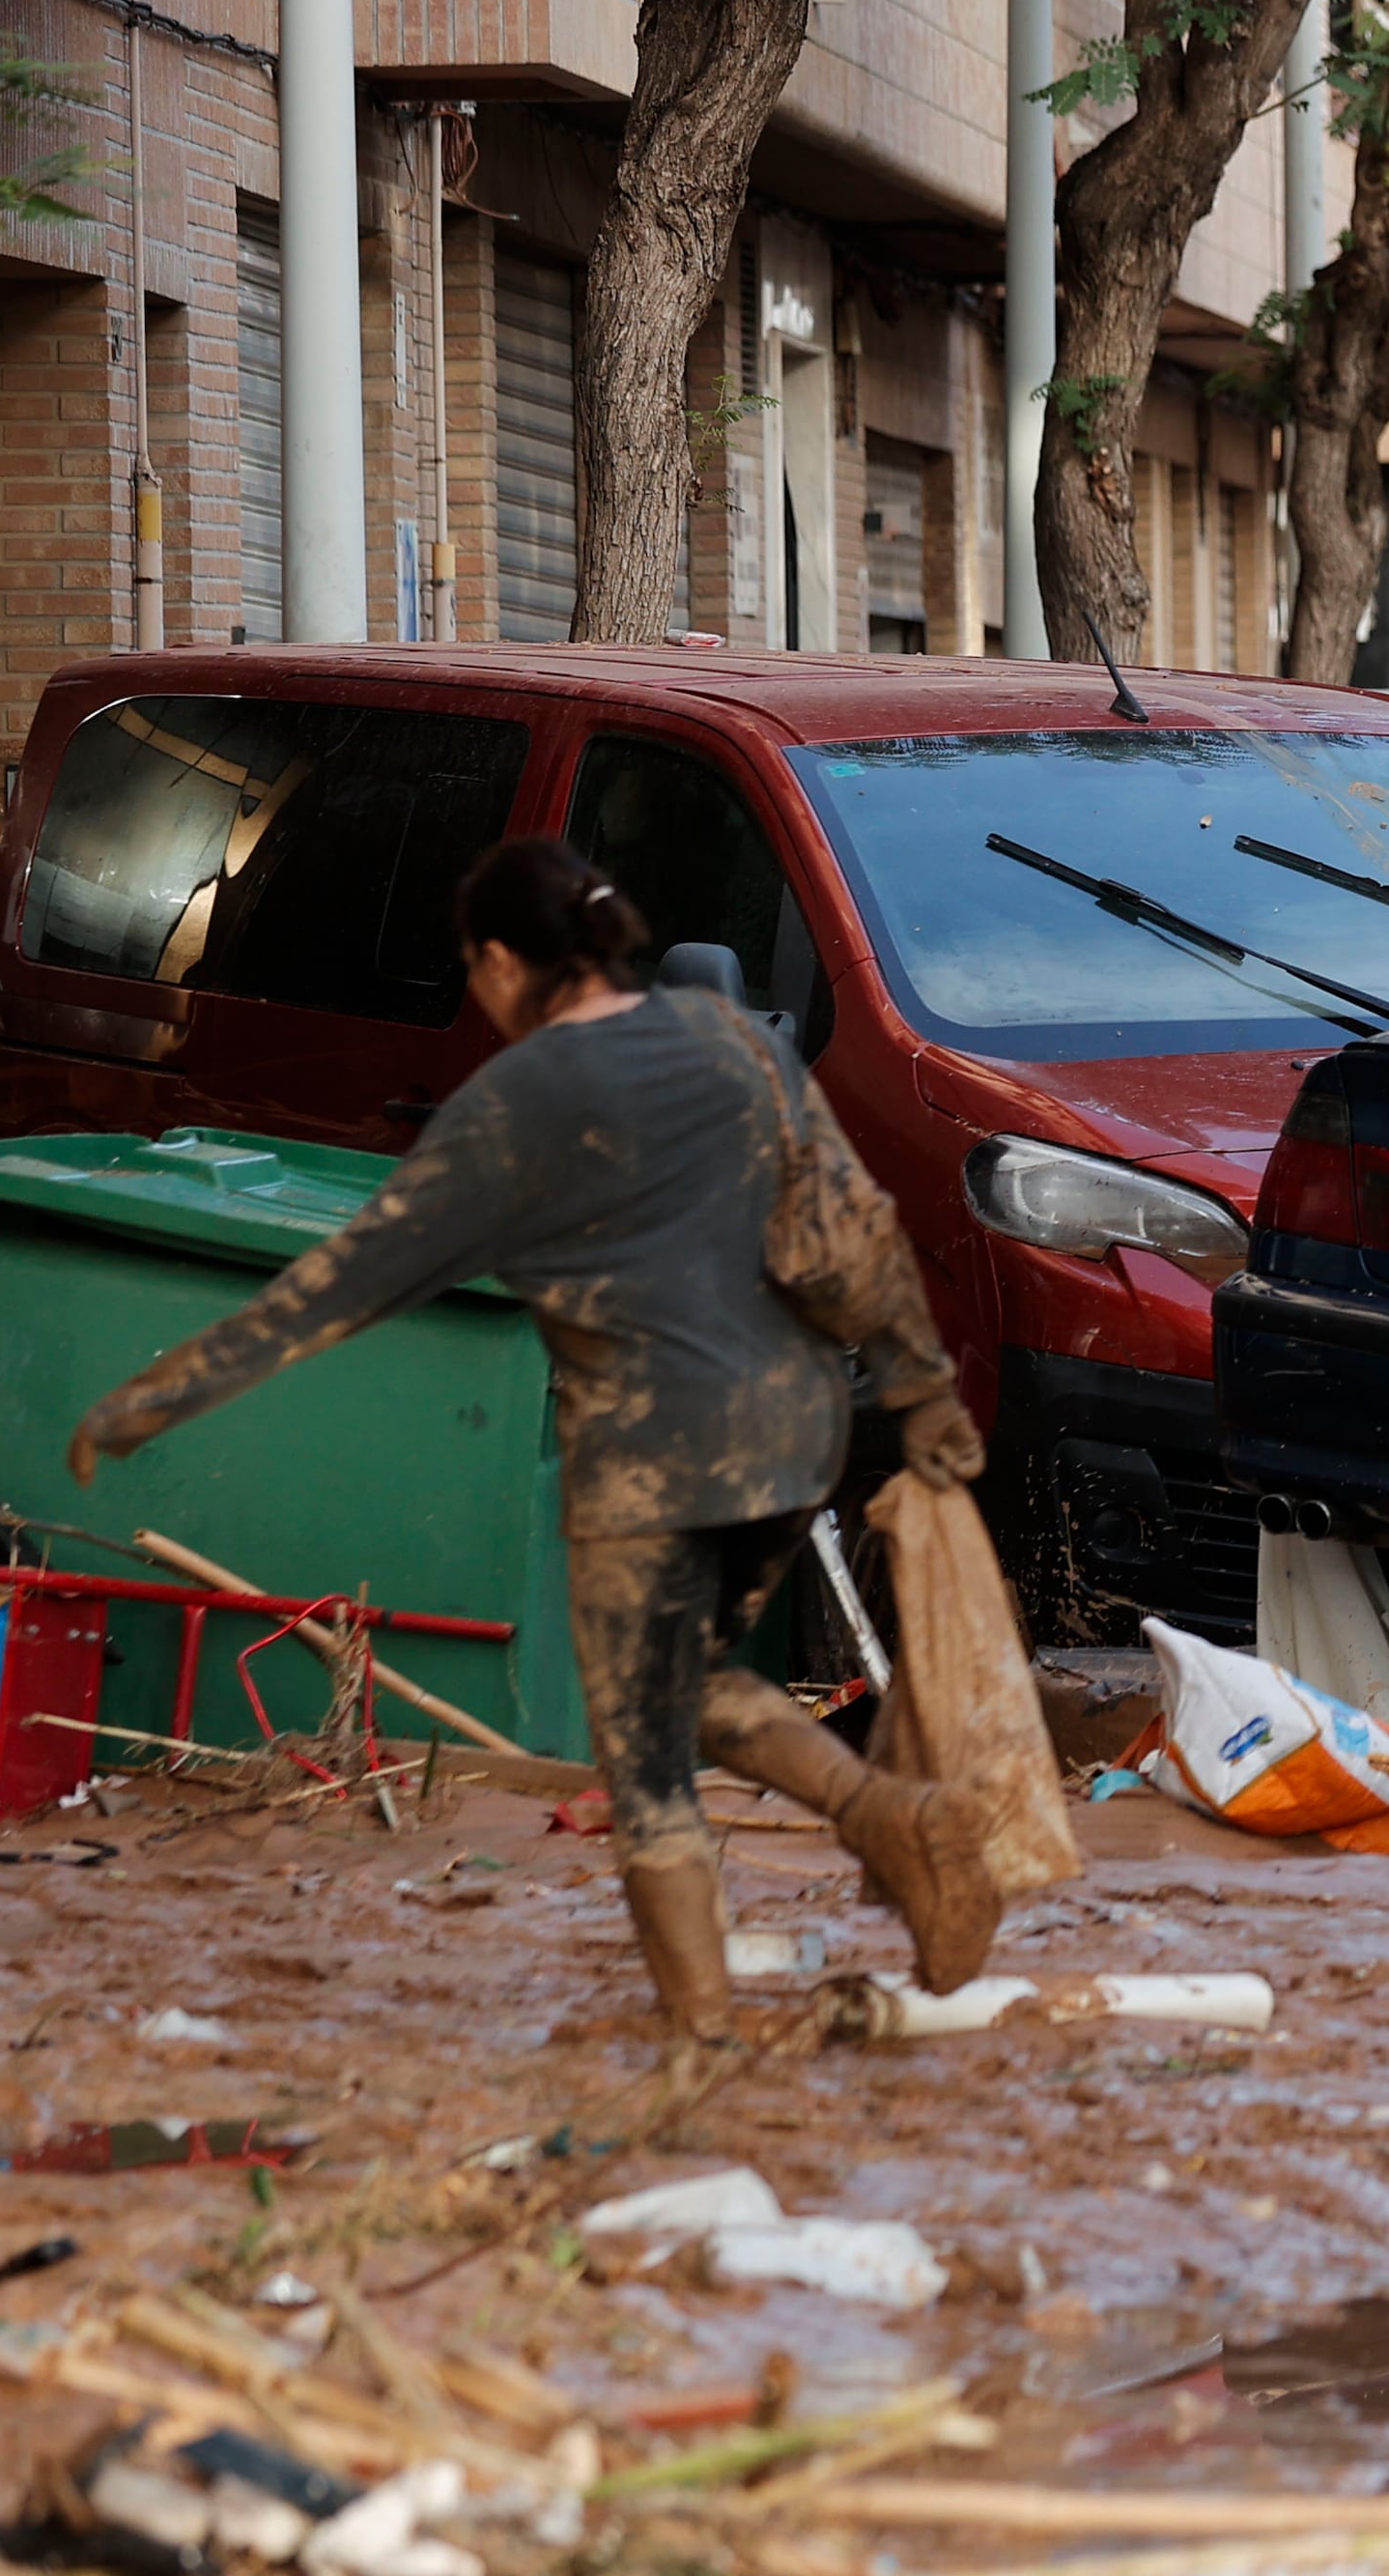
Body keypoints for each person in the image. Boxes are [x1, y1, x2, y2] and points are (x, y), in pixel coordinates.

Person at [70, 838, 1006, 2050]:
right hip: (795, 1433)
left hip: (654, 1461)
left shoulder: (510, 1107)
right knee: (679, 1689)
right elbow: (854, 1229)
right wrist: (924, 1394)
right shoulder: (729, 1039)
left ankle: (707, 2031)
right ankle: (891, 1823)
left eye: (476, 970)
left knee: (644, 1761)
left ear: (508, 964)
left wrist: (153, 1397)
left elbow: (340, 1285)